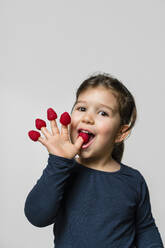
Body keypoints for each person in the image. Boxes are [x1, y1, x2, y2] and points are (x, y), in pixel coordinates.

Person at [24, 72, 164, 248]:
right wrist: (58, 162)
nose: (87, 118)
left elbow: (145, 229)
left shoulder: (134, 181)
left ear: (121, 132)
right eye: (81, 108)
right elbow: (37, 216)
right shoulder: (62, 172)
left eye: (103, 113)